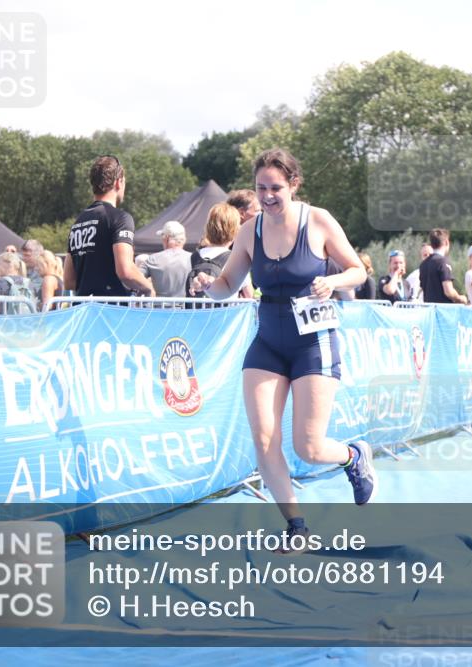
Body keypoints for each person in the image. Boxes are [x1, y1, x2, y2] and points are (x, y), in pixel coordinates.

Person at [191, 148, 376, 547]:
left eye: (276, 187)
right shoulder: (249, 231)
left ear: (293, 184)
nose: (268, 196)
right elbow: (226, 286)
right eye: (261, 188)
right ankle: (297, 528)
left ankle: (353, 456)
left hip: (313, 342)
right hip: (268, 342)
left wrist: (335, 282)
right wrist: (209, 287)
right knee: (263, 439)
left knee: (307, 447)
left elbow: (357, 270)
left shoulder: (319, 221)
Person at [64, 155, 154, 299]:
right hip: (111, 313)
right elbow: (126, 271)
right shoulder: (120, 218)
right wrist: (149, 288)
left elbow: (69, 281)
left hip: (84, 311)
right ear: (119, 183)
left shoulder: (78, 222)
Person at [186, 203, 253, 300]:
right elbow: (249, 295)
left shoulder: (193, 257)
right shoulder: (237, 259)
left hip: (197, 314)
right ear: (235, 231)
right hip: (226, 314)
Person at [141, 220, 192, 298]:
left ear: (167, 238)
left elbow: (136, 277)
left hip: (159, 308)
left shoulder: (152, 259)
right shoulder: (193, 259)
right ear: (183, 239)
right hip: (187, 309)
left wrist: (149, 289)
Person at [420, 229, 467, 305]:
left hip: (429, 311)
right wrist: (460, 298)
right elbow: (448, 292)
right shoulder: (442, 262)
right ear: (446, 242)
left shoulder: (423, 264)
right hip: (443, 311)